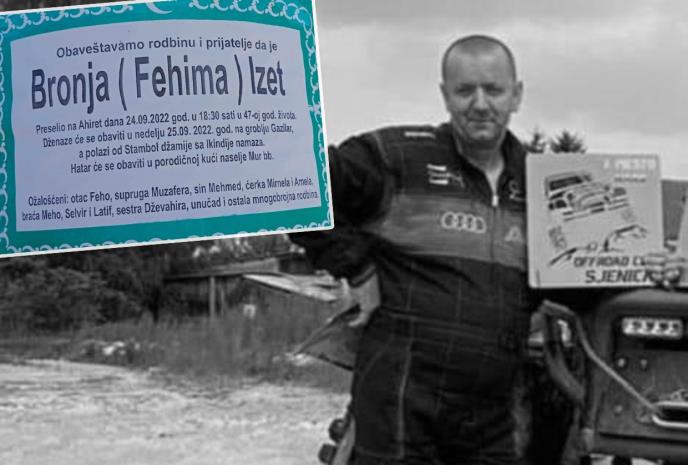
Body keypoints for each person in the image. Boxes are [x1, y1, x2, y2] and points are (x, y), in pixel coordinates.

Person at [291, 35, 685, 465]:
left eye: (493, 90)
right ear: (445, 95)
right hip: (399, 405)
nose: (480, 104)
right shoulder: (398, 157)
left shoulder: (542, 186)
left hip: (490, 413)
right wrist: (356, 268)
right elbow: (293, 181)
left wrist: (642, 269)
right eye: (465, 90)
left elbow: (573, 284)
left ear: (516, 95)